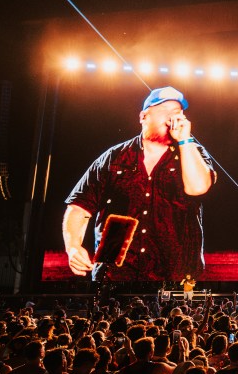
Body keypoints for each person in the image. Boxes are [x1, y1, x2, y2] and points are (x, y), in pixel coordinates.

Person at [64, 86, 216, 282]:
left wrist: (185, 141)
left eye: (177, 113)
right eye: (165, 111)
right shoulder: (114, 157)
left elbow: (198, 188)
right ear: (143, 116)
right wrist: (73, 246)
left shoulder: (193, 153)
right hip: (115, 274)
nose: (173, 118)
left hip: (175, 276)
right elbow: (79, 207)